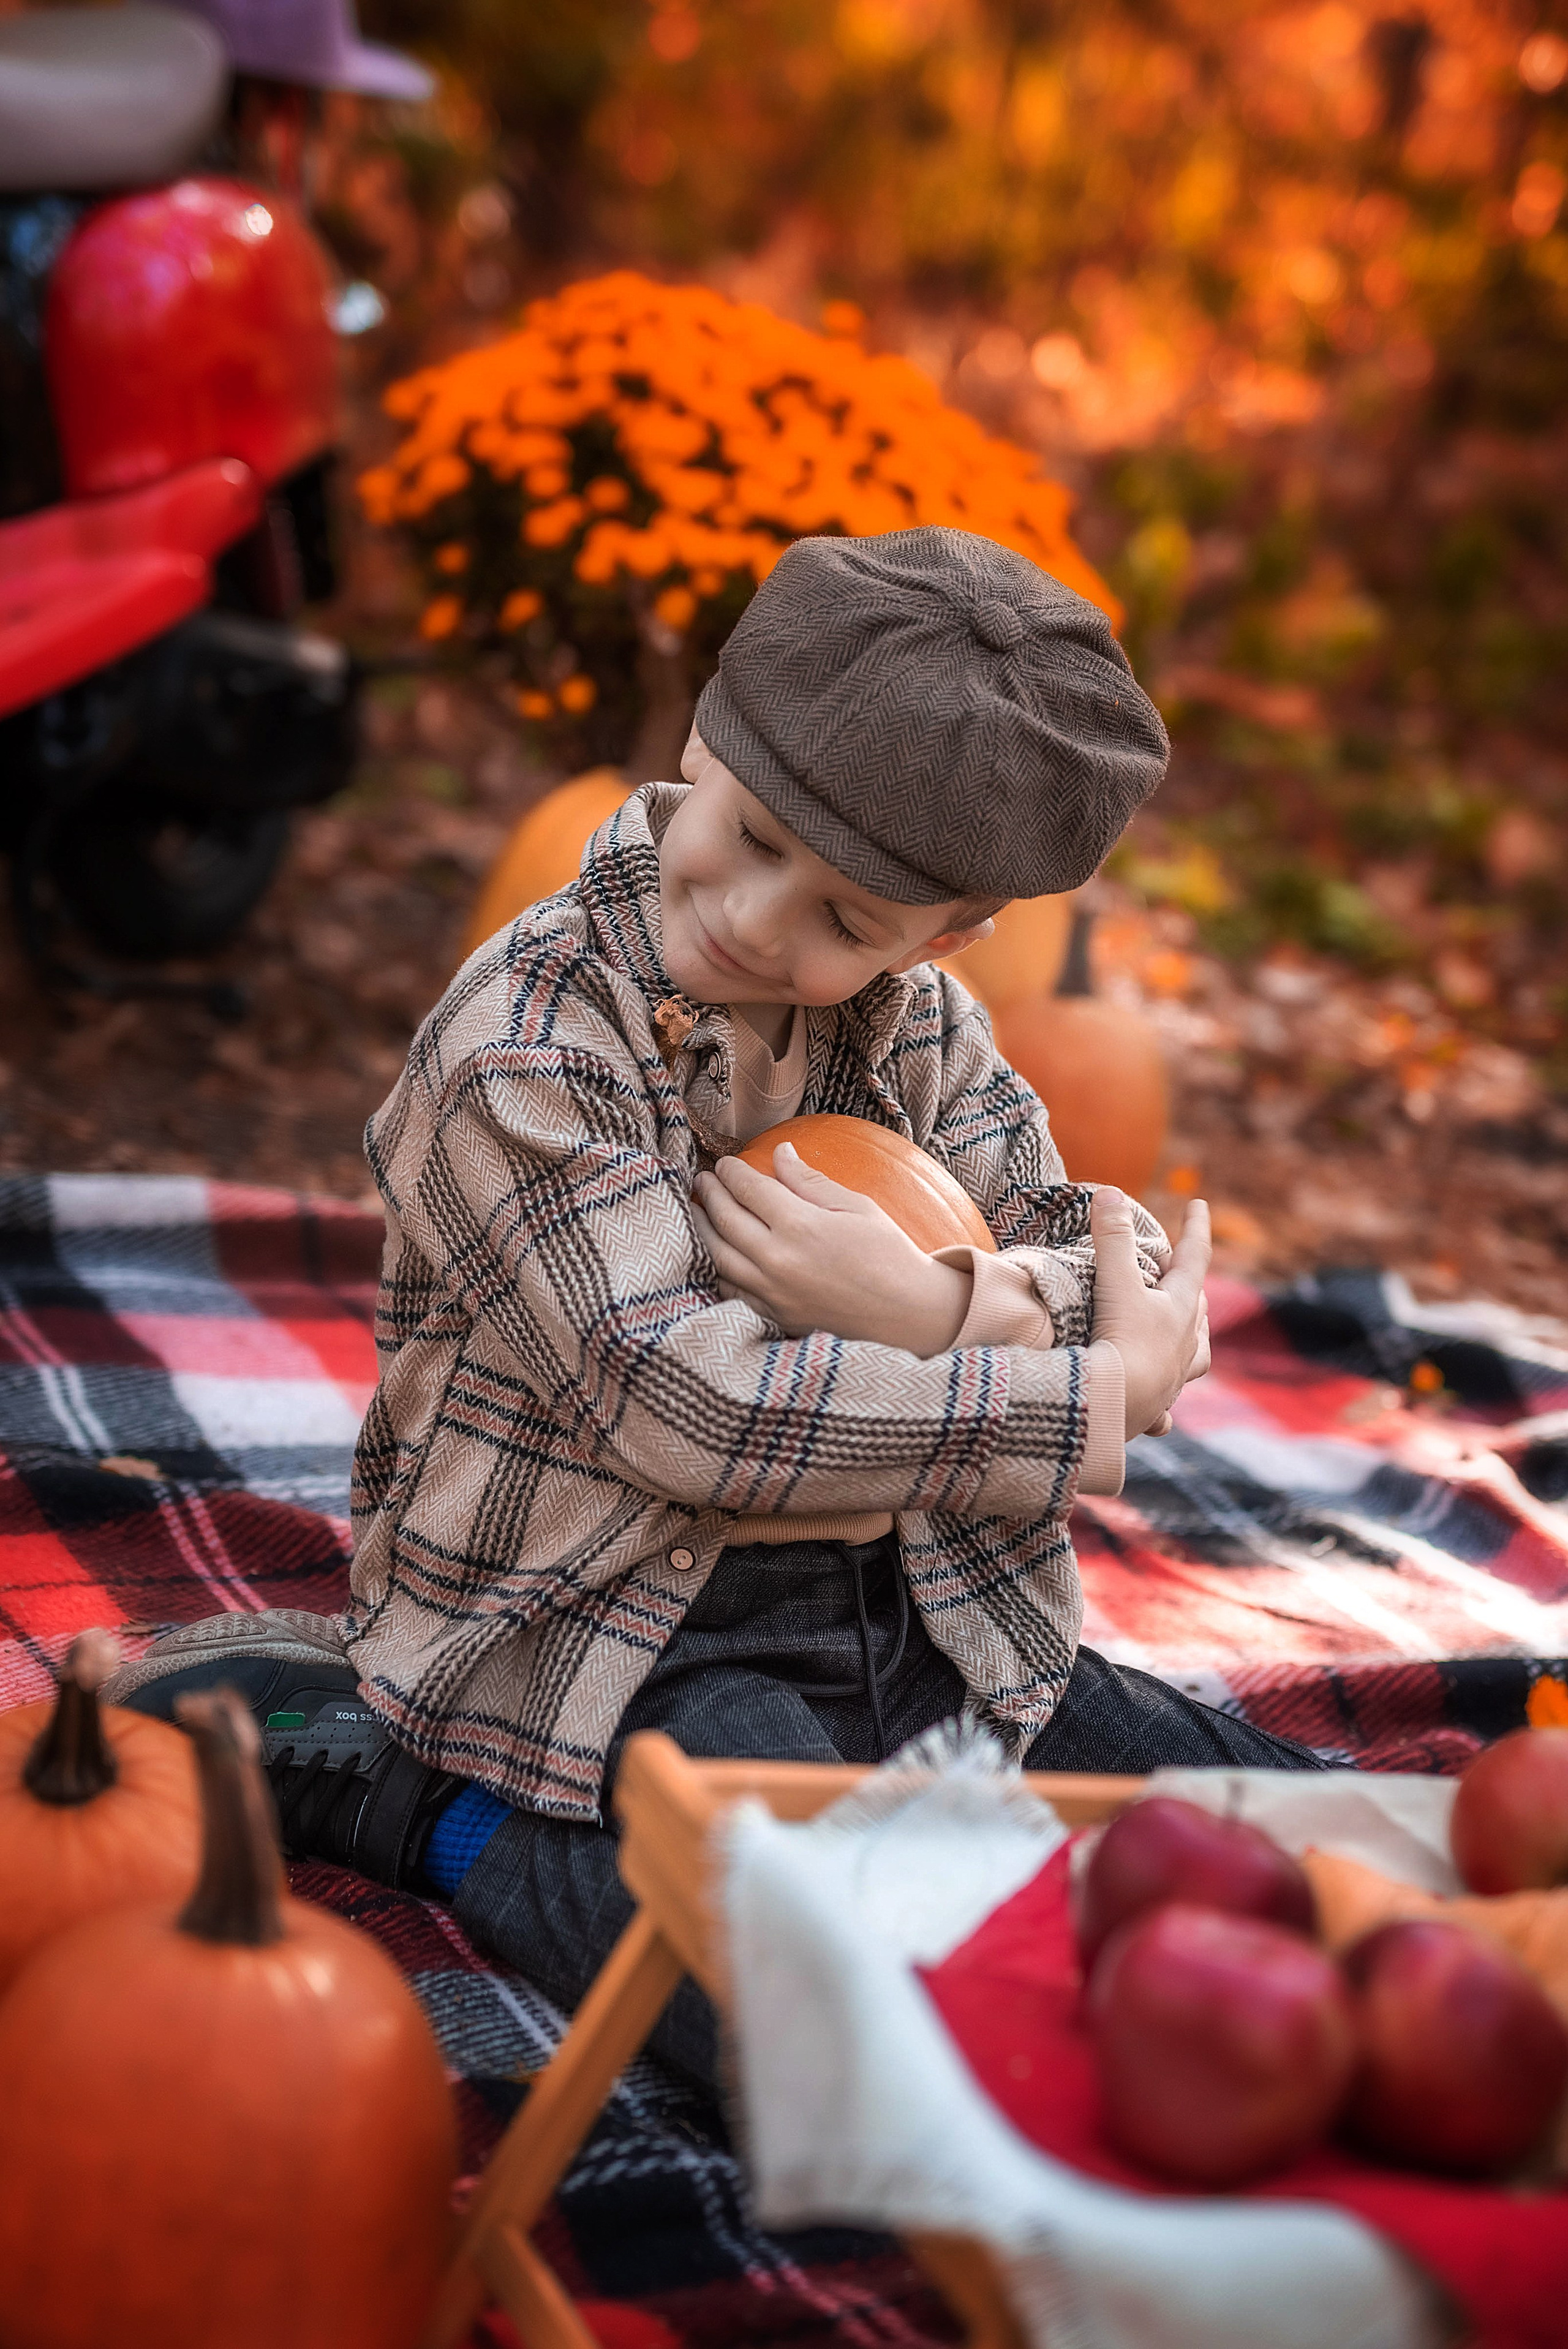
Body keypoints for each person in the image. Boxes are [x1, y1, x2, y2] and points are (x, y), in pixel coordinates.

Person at [110, 526, 1324, 2083]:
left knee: (1279, 1844)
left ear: (947, 937)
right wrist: (1072, 1390)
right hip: (617, 1623)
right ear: (704, 732)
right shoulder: (530, 1044)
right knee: (829, 2024)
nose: (758, 920)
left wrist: (939, 1304)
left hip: (926, 1603)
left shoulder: (925, 1026)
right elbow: (684, 1406)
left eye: (846, 920)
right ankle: (417, 1797)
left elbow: (1111, 1260)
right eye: (748, 836)